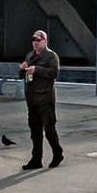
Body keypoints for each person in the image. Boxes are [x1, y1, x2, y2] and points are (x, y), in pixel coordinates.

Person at [18, 29, 63, 169]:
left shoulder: (51, 56)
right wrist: (22, 68)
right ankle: (36, 159)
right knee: (35, 132)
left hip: (45, 99)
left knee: (49, 130)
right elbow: (21, 74)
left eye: (38, 40)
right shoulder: (30, 55)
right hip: (32, 100)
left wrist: (36, 69)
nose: (35, 43)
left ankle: (57, 153)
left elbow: (54, 73)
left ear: (45, 41)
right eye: (34, 40)